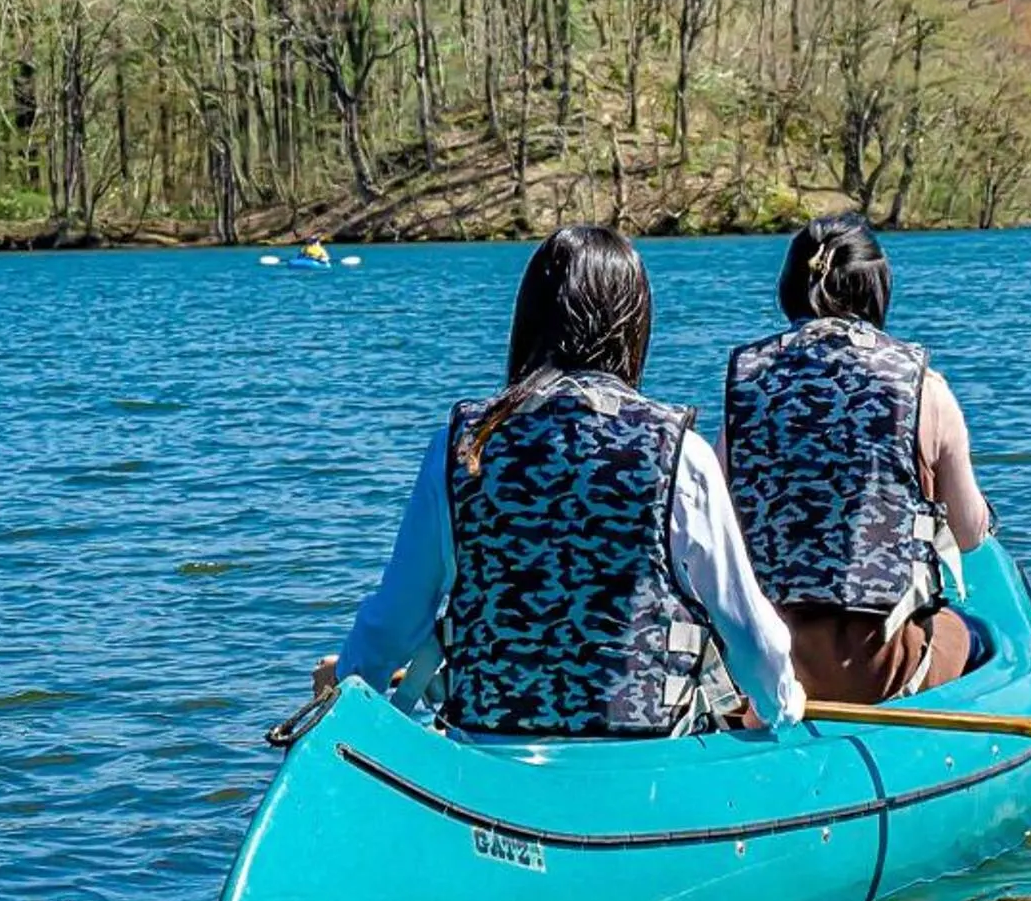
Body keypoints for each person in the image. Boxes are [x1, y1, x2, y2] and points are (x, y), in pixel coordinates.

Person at [320, 225, 803, 736]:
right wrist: (782, 705)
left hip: (489, 748)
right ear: (635, 325)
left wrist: (347, 692)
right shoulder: (682, 453)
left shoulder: (461, 446)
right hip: (643, 755)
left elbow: (393, 622)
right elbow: (753, 638)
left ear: (528, 322)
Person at [720, 214, 994, 704]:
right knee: (975, 635)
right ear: (877, 288)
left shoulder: (746, 387)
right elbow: (971, 535)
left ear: (790, 286)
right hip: (880, 667)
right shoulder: (923, 387)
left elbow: (717, 523)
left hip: (764, 664)